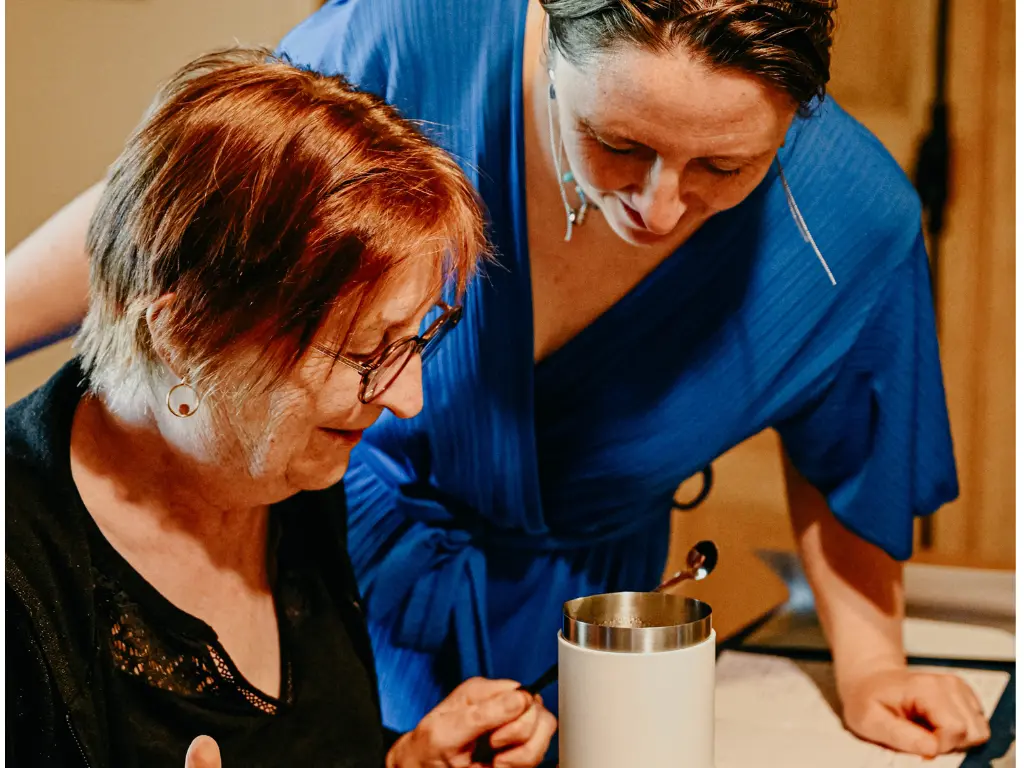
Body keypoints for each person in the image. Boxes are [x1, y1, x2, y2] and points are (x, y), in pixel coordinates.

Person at [5, 0, 992, 760]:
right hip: (341, 552)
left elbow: (852, 445)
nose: (657, 206)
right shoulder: (412, 39)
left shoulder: (850, 224)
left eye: (723, 169)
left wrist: (872, 666)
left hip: (575, 619)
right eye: (619, 144)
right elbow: (198, 215)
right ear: (544, 46)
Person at [5, 48, 557, 768]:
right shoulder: (24, 584)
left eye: (416, 338)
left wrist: (403, 761)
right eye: (366, 350)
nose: (407, 397)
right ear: (181, 335)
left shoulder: (282, 468)